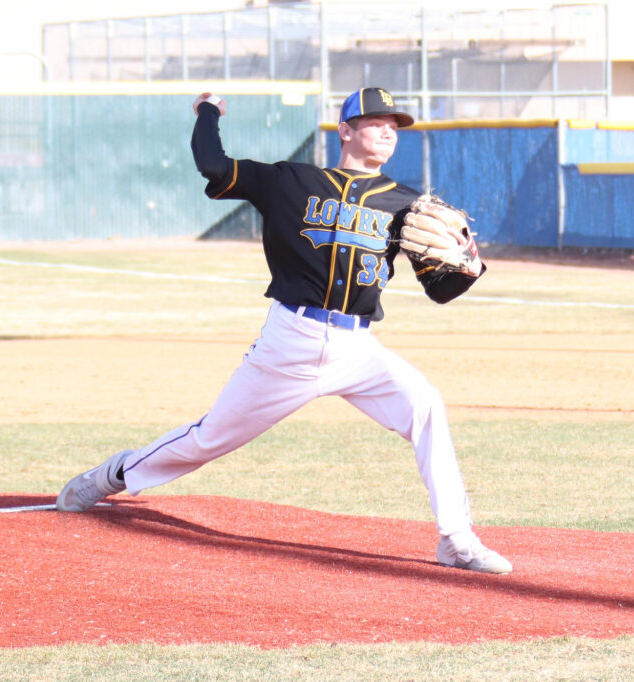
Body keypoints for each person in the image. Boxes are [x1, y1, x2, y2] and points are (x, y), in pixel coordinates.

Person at [56, 87, 512, 575]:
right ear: (345, 131)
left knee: (426, 407)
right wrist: (207, 112)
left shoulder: (406, 206)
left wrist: (470, 265)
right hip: (289, 341)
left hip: (357, 347)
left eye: (394, 125)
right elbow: (214, 166)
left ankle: (456, 540)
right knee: (207, 440)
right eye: (376, 122)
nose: (387, 131)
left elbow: (439, 292)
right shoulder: (290, 180)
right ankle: (115, 474)